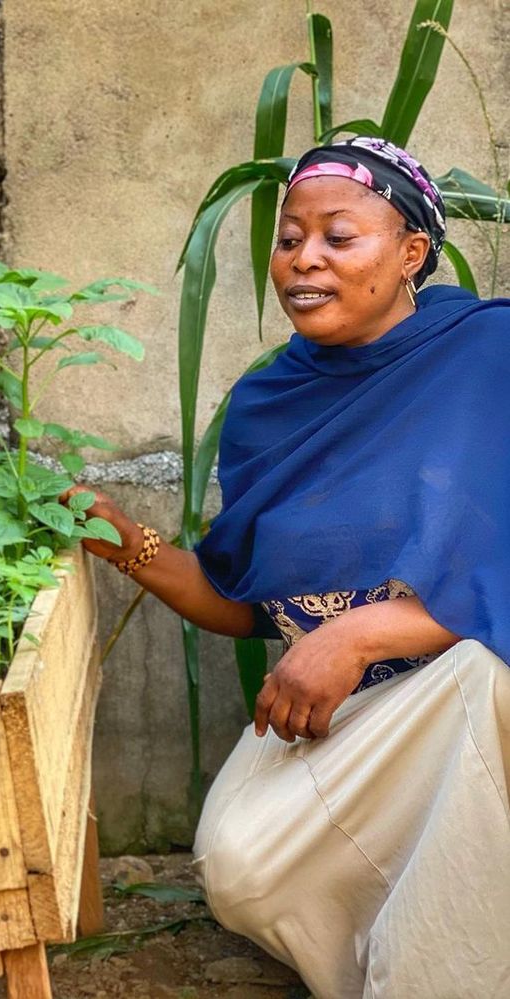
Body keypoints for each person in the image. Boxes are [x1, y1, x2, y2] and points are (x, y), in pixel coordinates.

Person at [64, 137, 510, 998]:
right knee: (242, 870)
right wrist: (128, 542)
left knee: (491, 679)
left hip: (472, 697)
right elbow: (249, 603)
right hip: (349, 720)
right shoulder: (267, 406)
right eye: (287, 238)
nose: (303, 258)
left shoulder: (491, 357)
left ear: (411, 252)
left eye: (338, 237)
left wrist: (370, 628)